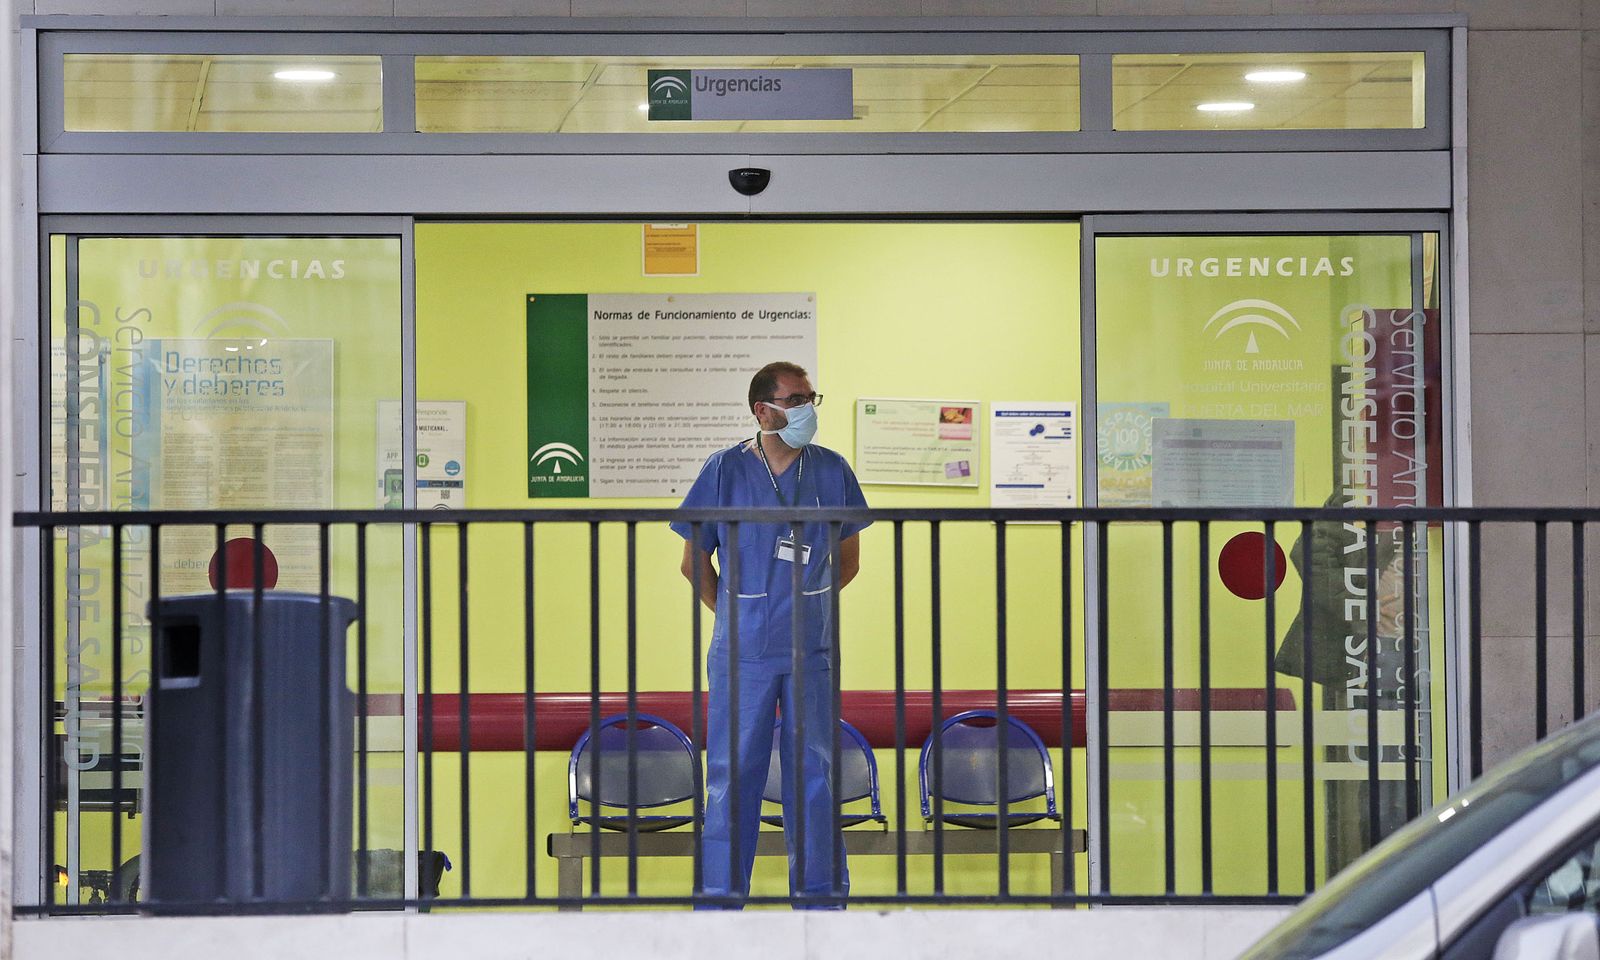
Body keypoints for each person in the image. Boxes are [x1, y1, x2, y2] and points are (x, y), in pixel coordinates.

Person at [670, 361, 870, 907]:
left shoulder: (831, 470)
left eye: (811, 398)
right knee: (732, 780)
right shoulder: (725, 470)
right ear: (763, 411)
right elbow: (693, 563)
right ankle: (719, 906)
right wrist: (739, 616)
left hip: (811, 649)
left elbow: (848, 560)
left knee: (815, 778)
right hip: (742, 654)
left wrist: (804, 608)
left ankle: (821, 907)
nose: (808, 409)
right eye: (796, 399)